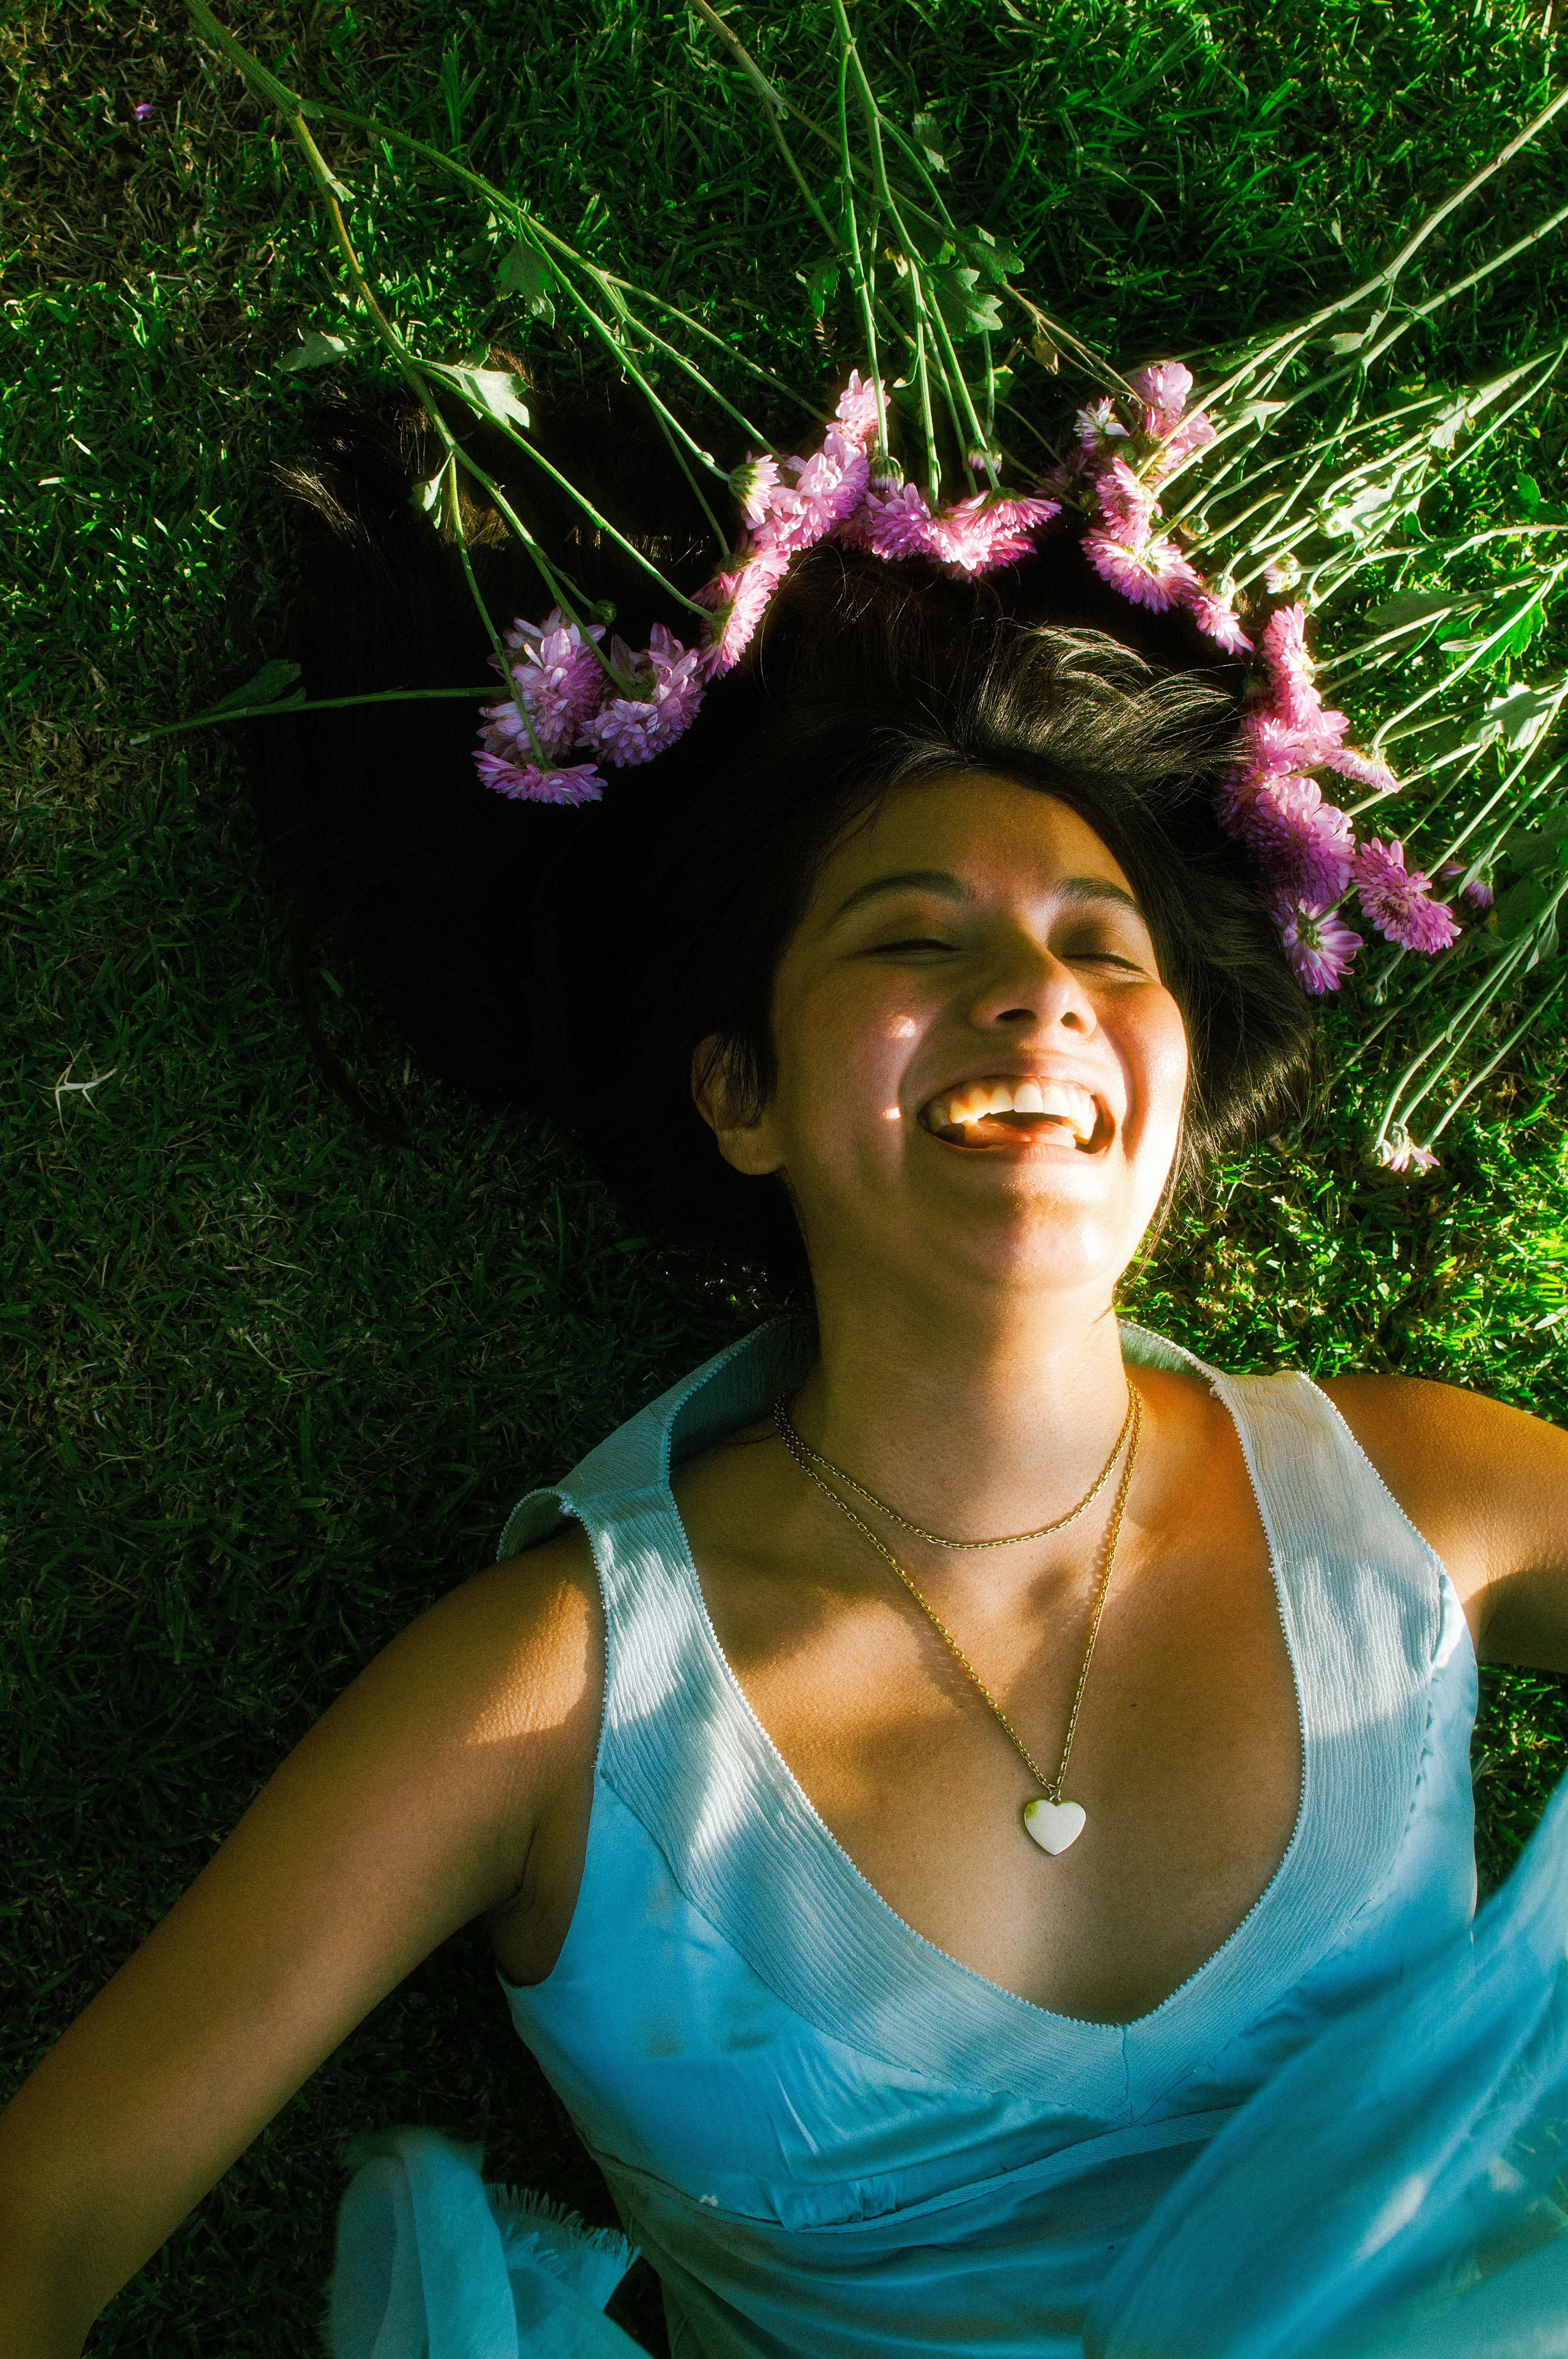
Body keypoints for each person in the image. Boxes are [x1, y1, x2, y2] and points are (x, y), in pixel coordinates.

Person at [3, 376, 1568, 2359]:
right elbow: (41, 2214)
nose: (1035, 993)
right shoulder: (548, 1704)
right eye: (913, 943)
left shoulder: (1427, 1504)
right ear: (738, 1094)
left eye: (1108, 945)